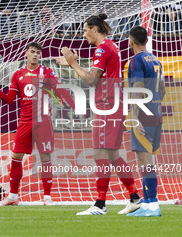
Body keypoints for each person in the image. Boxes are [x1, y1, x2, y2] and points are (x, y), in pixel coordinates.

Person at [54, 14, 142, 215]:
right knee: (112, 154)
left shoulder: (102, 48)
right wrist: (72, 64)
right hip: (115, 104)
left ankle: (100, 204)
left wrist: (73, 63)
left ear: (95, 29)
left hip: (108, 105)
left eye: (85, 31)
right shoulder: (110, 46)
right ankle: (134, 197)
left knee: (100, 154)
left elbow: (91, 80)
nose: (84, 35)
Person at [0, 42, 74, 206]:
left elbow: (60, 89)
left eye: (38, 53)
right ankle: (13, 196)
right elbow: (9, 99)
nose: (35, 55)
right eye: (32, 52)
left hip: (43, 121)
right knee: (16, 157)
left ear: (40, 56)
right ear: (26, 54)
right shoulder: (18, 75)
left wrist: (73, 103)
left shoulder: (47, 72)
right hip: (25, 121)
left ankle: (47, 197)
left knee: (45, 158)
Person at [126, 26, 165, 217]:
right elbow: (163, 89)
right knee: (147, 161)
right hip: (156, 114)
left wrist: (134, 117)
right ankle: (147, 204)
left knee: (145, 161)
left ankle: (153, 205)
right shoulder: (155, 59)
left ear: (131, 41)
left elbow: (138, 89)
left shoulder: (136, 60)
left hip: (143, 116)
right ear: (146, 41)